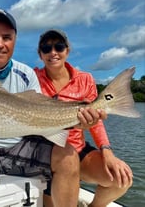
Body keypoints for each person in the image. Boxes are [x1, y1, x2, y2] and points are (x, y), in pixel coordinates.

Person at [0, 8, 105, 207]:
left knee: (68, 156)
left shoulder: (26, 74)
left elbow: (39, 114)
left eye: (6, 37)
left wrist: (76, 122)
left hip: (21, 144)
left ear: (14, 40)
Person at [34, 29, 133, 207]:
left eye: (59, 46)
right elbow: (7, 71)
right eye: (46, 48)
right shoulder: (31, 77)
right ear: (40, 54)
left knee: (121, 179)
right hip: (46, 156)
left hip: (78, 151)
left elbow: (96, 122)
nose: (53, 52)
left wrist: (107, 151)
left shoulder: (85, 79)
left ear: (67, 50)